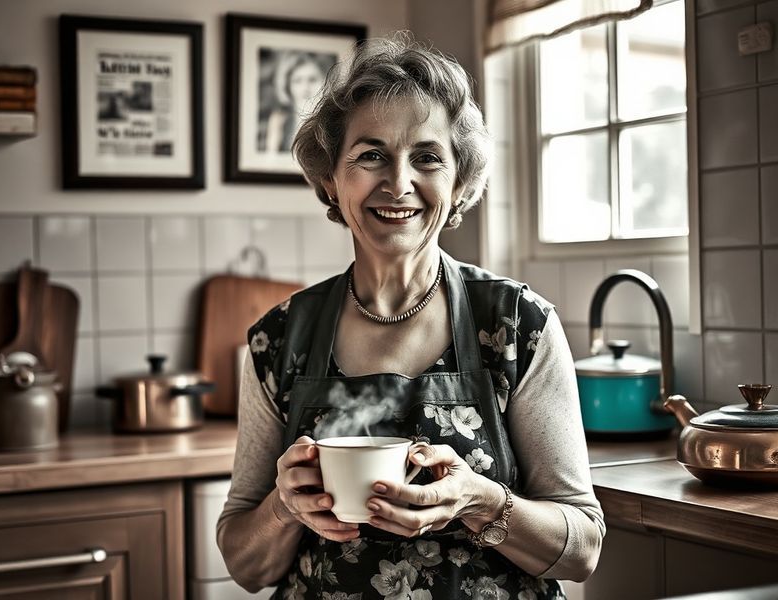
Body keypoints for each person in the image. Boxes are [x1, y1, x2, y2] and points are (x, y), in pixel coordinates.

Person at [218, 33, 605, 599]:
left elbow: (582, 551)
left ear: (459, 181)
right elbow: (246, 567)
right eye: (370, 155)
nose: (398, 183)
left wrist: (480, 500)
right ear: (332, 177)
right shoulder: (278, 340)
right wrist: (283, 507)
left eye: (426, 157)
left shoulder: (519, 325)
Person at [263, 51, 329, 153]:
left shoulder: (331, 121)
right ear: (287, 85)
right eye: (297, 80)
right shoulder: (279, 120)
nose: (305, 88)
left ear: (325, 82)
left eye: (312, 80)